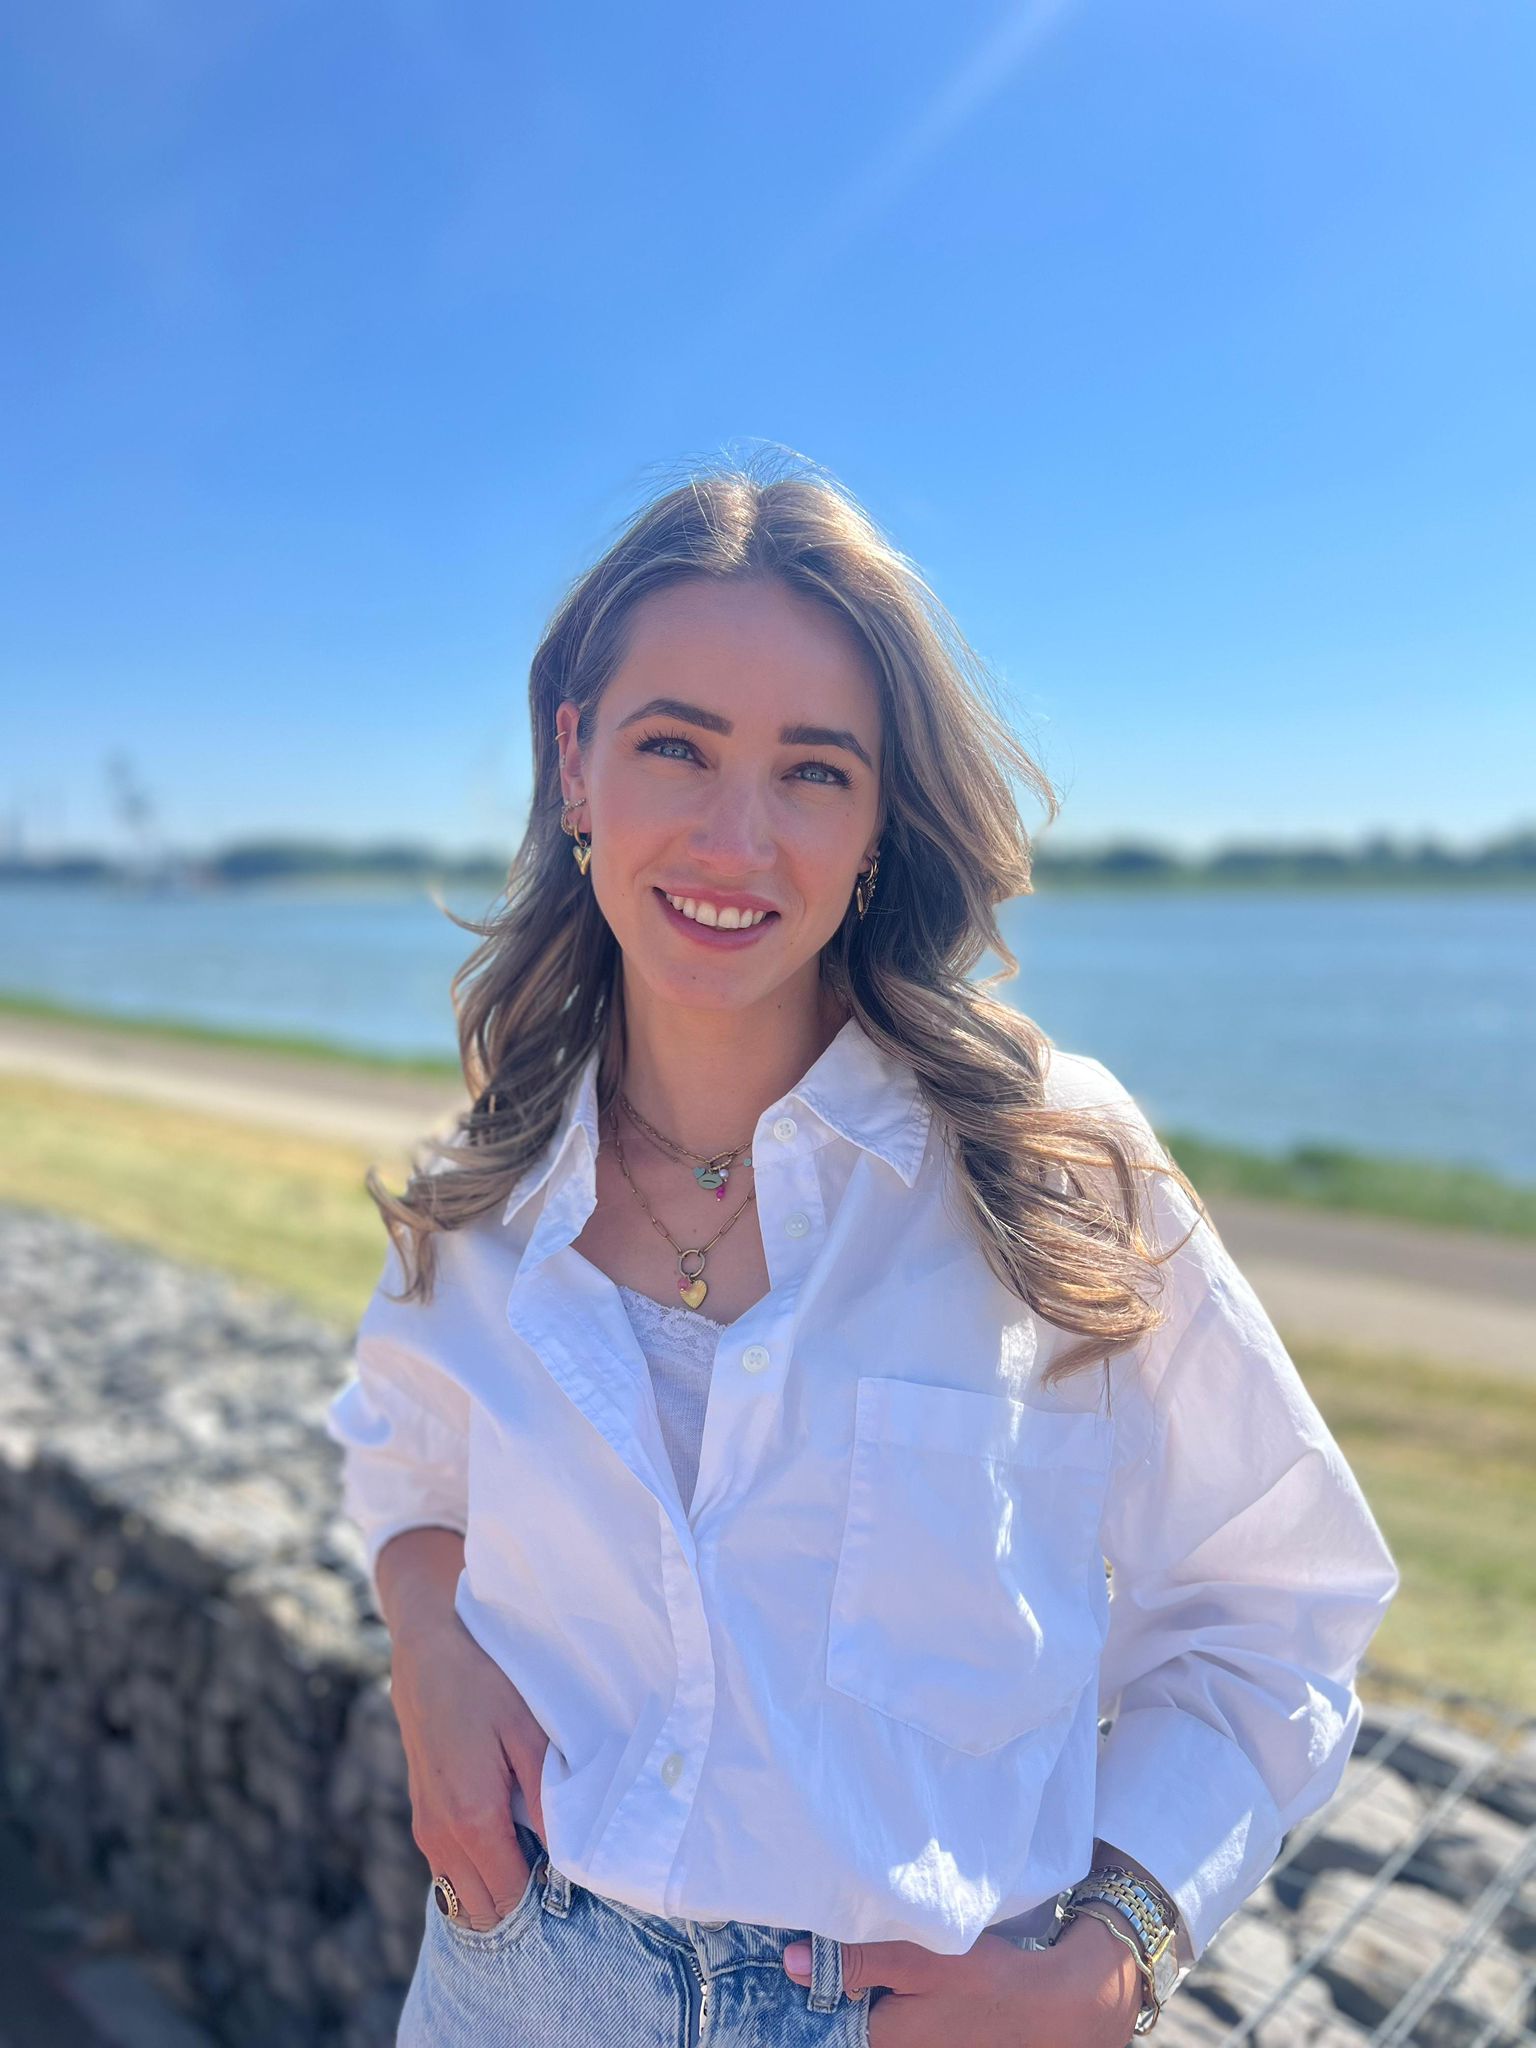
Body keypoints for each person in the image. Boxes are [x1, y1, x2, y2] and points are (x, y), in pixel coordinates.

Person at [324, 454, 1400, 2047]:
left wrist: (1114, 1955)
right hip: (510, 1988)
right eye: (676, 746)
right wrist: (427, 1643)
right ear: (576, 763)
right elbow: (407, 1471)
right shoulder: (485, 1187)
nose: (736, 837)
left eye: (814, 771)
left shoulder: (1049, 1162)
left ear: (882, 817)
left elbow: (1279, 1601)